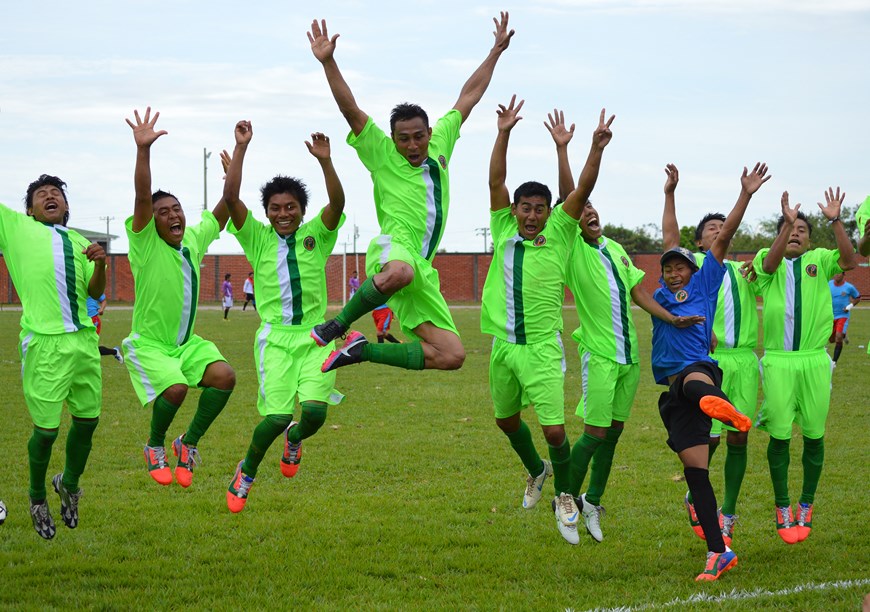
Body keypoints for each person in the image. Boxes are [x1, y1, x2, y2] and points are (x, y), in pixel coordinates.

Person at [307, 13, 514, 373]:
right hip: (396, 249)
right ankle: (337, 324)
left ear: (430, 132)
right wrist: (329, 61)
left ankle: (362, 350)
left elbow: (468, 96)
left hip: (423, 268)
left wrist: (495, 51)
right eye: (403, 139)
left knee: (452, 355)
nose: (413, 145)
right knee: (399, 272)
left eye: (419, 136)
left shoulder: (441, 142)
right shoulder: (382, 154)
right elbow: (350, 110)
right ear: (393, 139)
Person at [548, 116, 704, 545]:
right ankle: (564, 499)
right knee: (595, 433)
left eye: (595, 210)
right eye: (584, 210)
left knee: (614, 433)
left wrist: (672, 319)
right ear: (574, 219)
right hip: (598, 354)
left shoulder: (615, 249)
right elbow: (571, 195)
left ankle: (592, 499)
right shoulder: (572, 246)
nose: (590, 212)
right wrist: (578, 149)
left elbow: (639, 294)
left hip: (629, 359)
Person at [482, 97, 617, 545]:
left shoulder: (560, 231)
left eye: (540, 208)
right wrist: (503, 132)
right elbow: (496, 179)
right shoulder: (502, 226)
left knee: (556, 430)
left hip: (542, 347)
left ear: (548, 212)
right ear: (515, 210)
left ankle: (564, 495)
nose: (533, 215)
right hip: (504, 345)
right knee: (505, 422)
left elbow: (581, 189)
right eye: (526, 207)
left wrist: (592, 148)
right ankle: (536, 469)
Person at [653, 162, 770, 581]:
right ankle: (717, 552)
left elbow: (725, 237)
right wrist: (669, 193)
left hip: (699, 370)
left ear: (693, 268)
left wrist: (746, 194)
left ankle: (719, 405)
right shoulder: (661, 292)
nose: (673, 270)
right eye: (668, 267)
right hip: (673, 390)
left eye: (679, 266)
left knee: (694, 382)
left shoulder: (705, 281)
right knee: (695, 471)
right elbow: (670, 237)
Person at [223, 120, 346, 513]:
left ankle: (296, 439)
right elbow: (229, 200)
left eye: (290, 207)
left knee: (313, 413)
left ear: (301, 210)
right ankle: (247, 470)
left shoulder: (317, 235)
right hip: (275, 339)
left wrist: (326, 163)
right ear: (267, 213)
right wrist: (240, 149)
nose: (283, 213)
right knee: (275, 417)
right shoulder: (257, 238)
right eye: (275, 208)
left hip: (316, 337)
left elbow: (338, 204)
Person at [123, 107, 236, 489]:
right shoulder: (144, 244)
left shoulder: (191, 240)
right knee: (176, 389)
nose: (172, 216)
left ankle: (187, 444)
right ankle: (154, 445)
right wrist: (143, 151)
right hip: (151, 345)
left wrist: (236, 164)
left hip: (185, 345)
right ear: (151, 221)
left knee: (224, 377)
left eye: (177, 209)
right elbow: (142, 197)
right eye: (163, 212)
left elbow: (224, 209)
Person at [1, 174, 107, 539]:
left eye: (56, 194)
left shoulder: (79, 241)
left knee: (88, 422)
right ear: (29, 209)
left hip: (83, 342)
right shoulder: (16, 228)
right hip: (45, 344)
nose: (50, 197)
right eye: (41, 195)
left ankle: (68, 483)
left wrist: (102, 263)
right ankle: (35, 498)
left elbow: (95, 291)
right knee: (46, 431)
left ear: (66, 206)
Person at [752, 188, 856, 544]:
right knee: (780, 435)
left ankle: (806, 504)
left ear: (811, 240)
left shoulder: (822, 259)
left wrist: (835, 220)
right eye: (789, 228)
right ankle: (782, 506)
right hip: (779, 362)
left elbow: (850, 261)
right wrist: (785, 224)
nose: (795, 232)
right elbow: (768, 265)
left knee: (814, 434)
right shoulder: (768, 258)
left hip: (814, 360)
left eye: (800, 230)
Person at [828, 271, 860, 364]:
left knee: (838, 337)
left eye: (839, 273)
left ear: (843, 274)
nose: (837, 275)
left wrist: (849, 306)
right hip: (830, 315)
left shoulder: (849, 287)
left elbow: (857, 297)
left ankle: (834, 362)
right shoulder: (828, 284)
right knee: (831, 340)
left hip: (842, 315)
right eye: (835, 273)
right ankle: (844, 335)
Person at [86, 293, 124, 363]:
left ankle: (114, 352)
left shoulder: (93, 288)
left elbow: (103, 301)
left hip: (93, 320)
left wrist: (101, 309)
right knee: (87, 348)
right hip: (82, 320)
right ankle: (114, 351)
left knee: (89, 347)